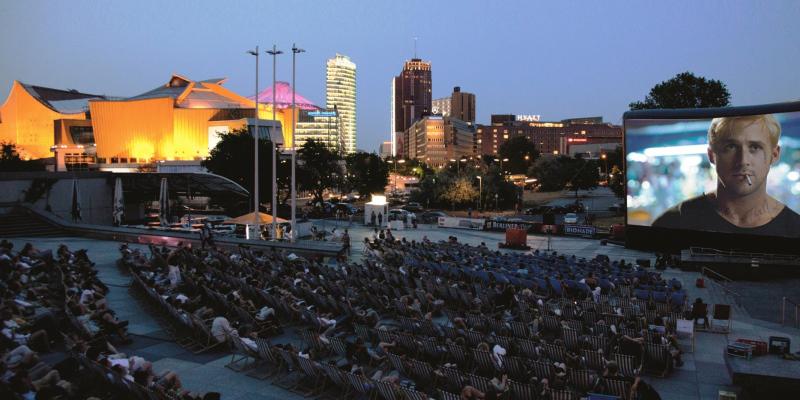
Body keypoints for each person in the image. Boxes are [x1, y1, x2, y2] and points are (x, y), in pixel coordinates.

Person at [652, 114, 800, 237]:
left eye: (755, 147)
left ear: (774, 155)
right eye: (731, 147)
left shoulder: (794, 229)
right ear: (712, 155)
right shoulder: (673, 223)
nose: (743, 161)